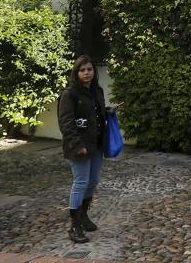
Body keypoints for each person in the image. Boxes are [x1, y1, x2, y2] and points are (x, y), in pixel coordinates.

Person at [58, 55, 117, 244]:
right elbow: (66, 123)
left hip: (96, 144)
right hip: (79, 147)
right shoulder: (70, 94)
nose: (86, 73)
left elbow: (94, 113)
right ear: (76, 73)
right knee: (81, 182)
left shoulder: (97, 91)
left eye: (89, 69)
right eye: (82, 70)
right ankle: (74, 225)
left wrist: (107, 111)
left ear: (94, 71)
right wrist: (78, 145)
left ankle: (83, 216)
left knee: (93, 181)